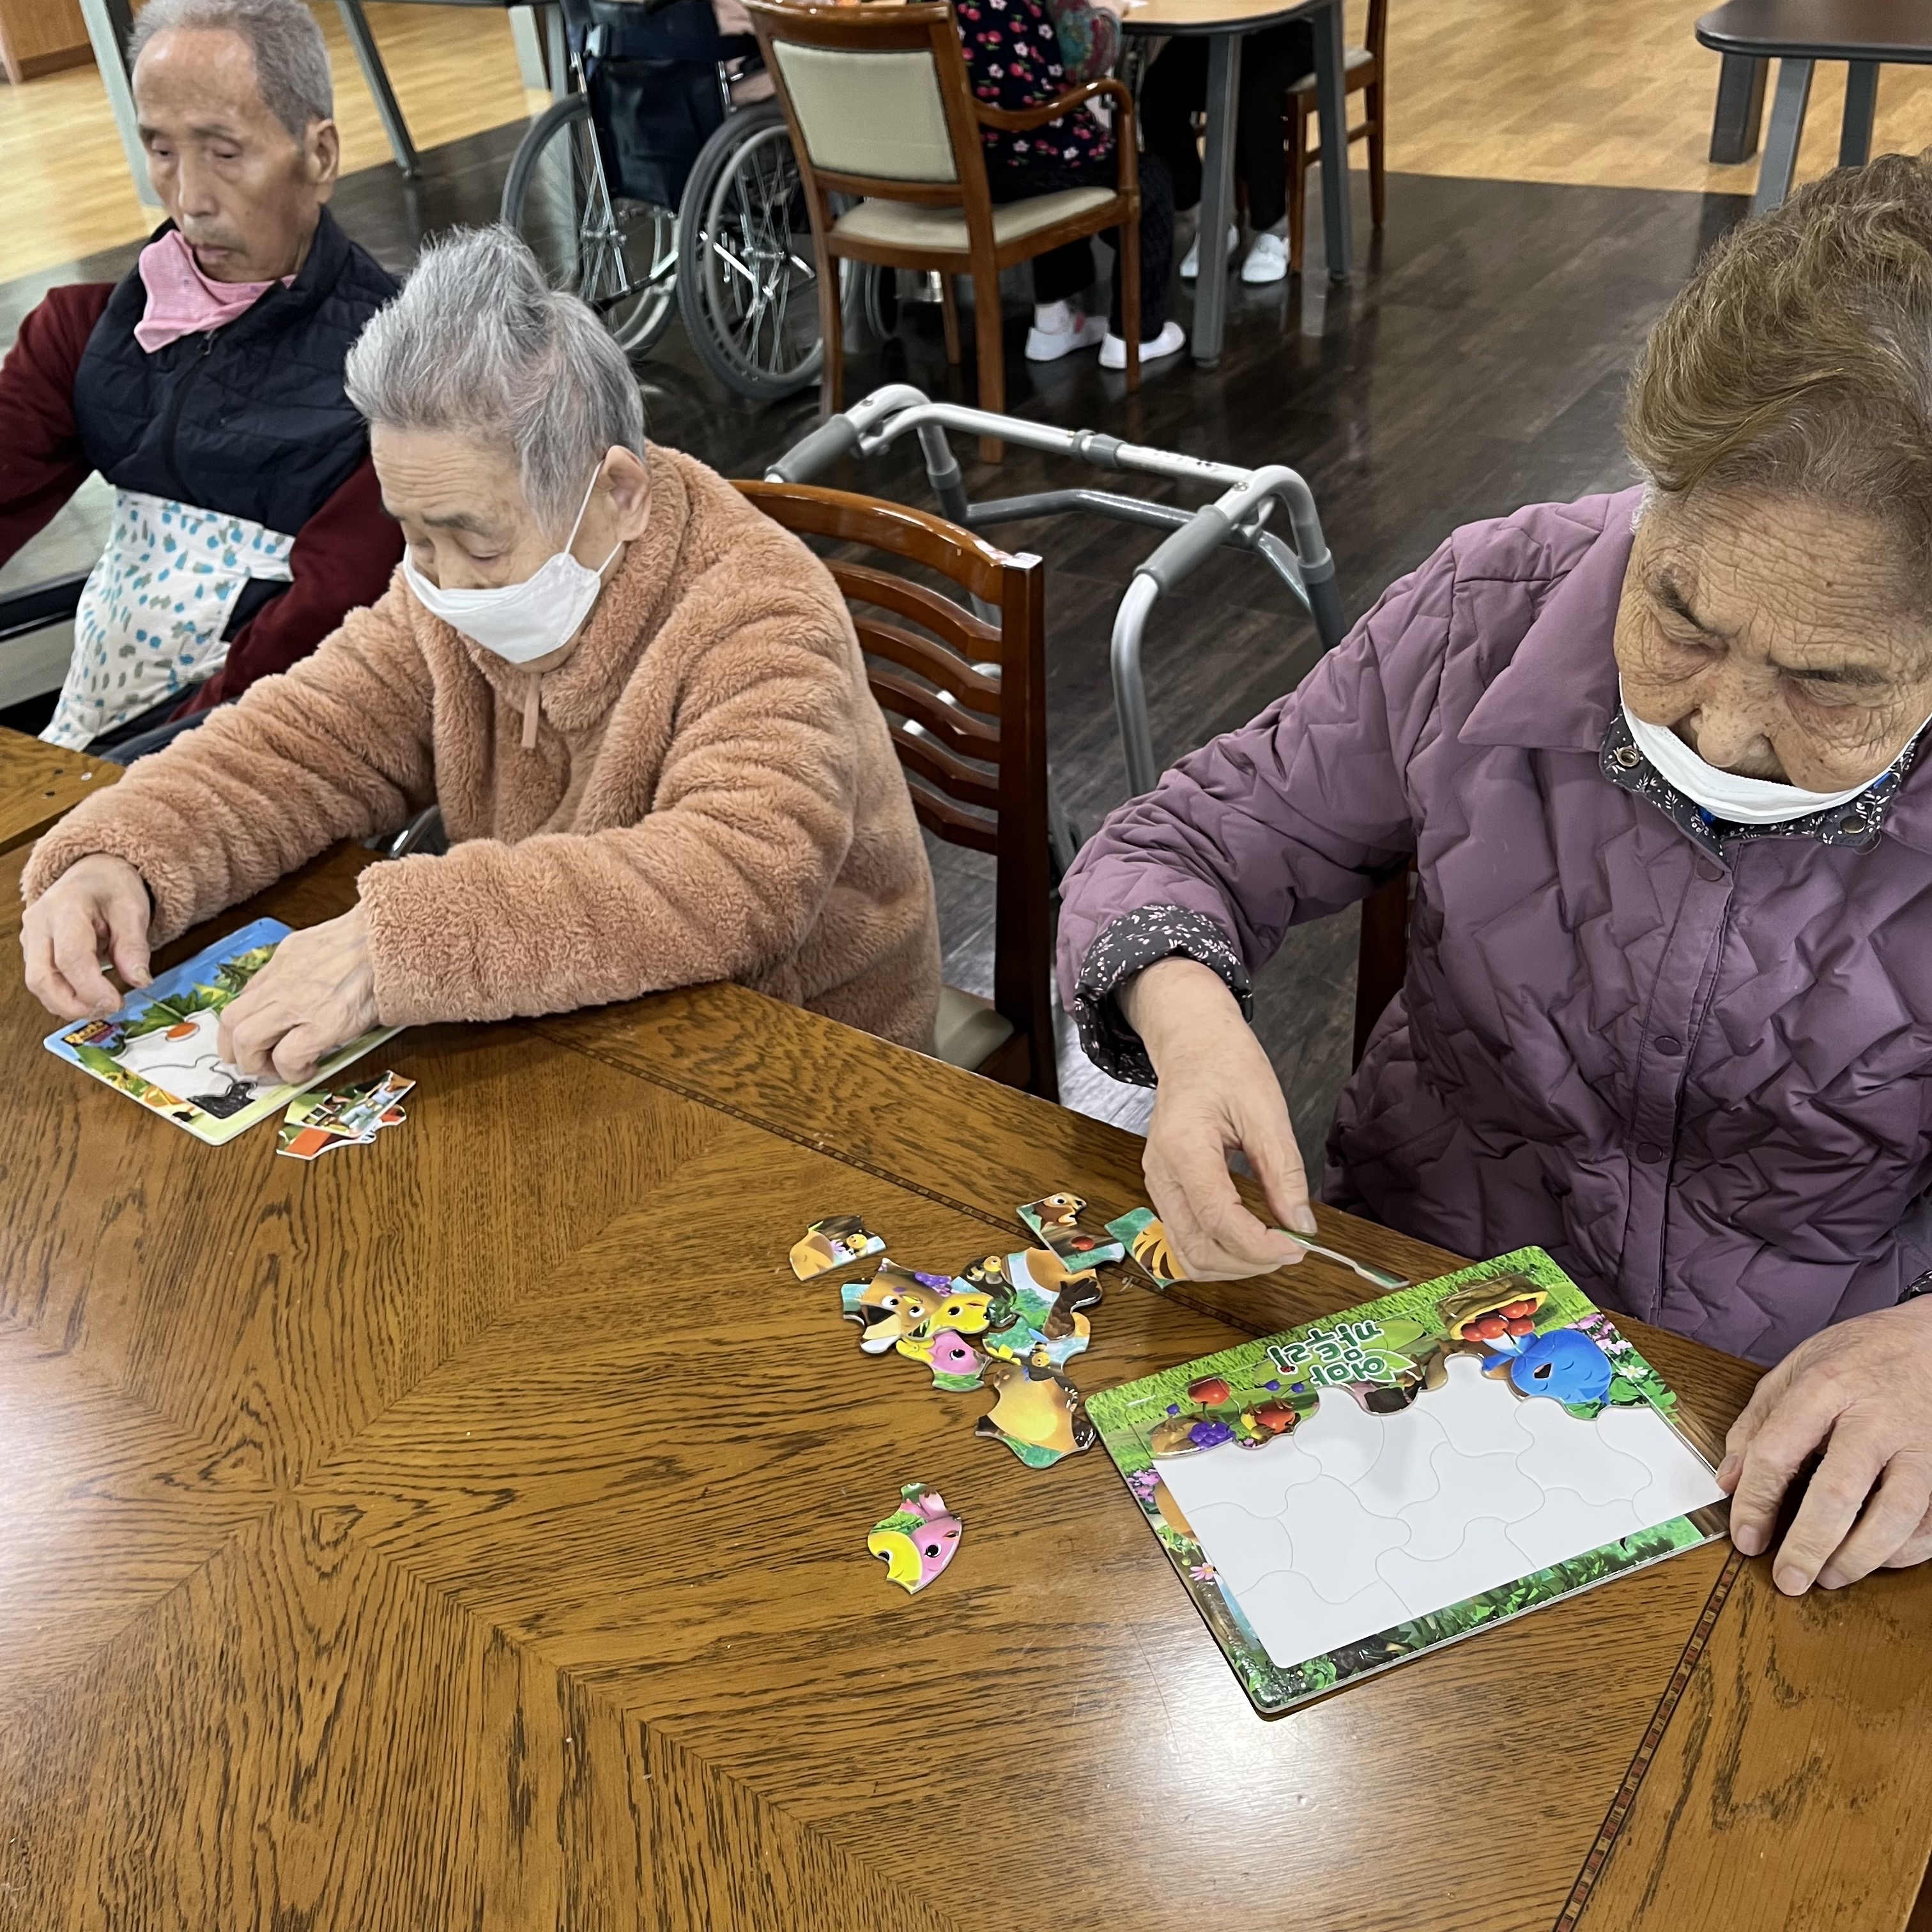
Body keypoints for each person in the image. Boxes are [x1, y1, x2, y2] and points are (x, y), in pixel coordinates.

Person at [1056, 154, 1932, 1600]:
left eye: (1830, 681)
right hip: (1406, 1335)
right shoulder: (1494, 605)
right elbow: (1177, 843)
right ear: (1648, 495)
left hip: (1787, 1438)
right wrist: (1189, 1025)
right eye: (1679, 615)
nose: (1717, 726)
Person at [19, 225, 942, 1070]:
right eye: (414, 536)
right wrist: (128, 853)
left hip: (811, 1060)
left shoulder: (762, 608)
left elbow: (738, 876)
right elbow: (307, 739)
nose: (445, 583)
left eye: (480, 544)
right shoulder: (440, 591)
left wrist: (397, 943)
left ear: (619, 494)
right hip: (570, 1008)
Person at [0, 0, 401, 760]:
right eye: (161, 150)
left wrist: (124, 777)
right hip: (92, 743)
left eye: (224, 153)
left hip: (233, 759)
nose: (189, 200)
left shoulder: (398, 383)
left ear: (319, 155)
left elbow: (314, 630)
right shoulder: (83, 334)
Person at [955, 0, 1184, 370]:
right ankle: (1136, 336)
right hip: (1035, 154)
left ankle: (1054, 323)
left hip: (967, 163)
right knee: (1150, 180)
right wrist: (1110, 11)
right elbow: (1087, 57)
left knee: (1052, 151)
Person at [1138, 24, 1314, 287]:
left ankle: (1273, 228)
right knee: (1158, 90)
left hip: (1290, 29)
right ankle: (1207, 217)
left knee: (1253, 93)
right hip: (1215, 29)